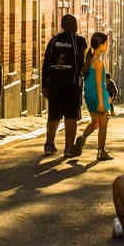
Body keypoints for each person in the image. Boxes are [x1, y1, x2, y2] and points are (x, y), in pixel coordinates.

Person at [41, 14, 87, 157]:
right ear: (75, 25)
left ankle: (49, 144)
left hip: (54, 84)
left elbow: (46, 63)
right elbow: (81, 64)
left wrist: (44, 85)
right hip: (72, 85)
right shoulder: (79, 41)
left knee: (54, 116)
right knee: (71, 116)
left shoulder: (54, 40)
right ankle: (68, 147)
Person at [75, 33, 113, 160]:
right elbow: (98, 83)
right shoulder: (98, 62)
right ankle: (101, 152)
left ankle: (82, 138)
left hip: (89, 95)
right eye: (106, 43)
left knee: (95, 122)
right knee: (102, 126)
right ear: (101, 45)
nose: (108, 45)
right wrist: (102, 102)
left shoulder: (89, 59)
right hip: (98, 96)